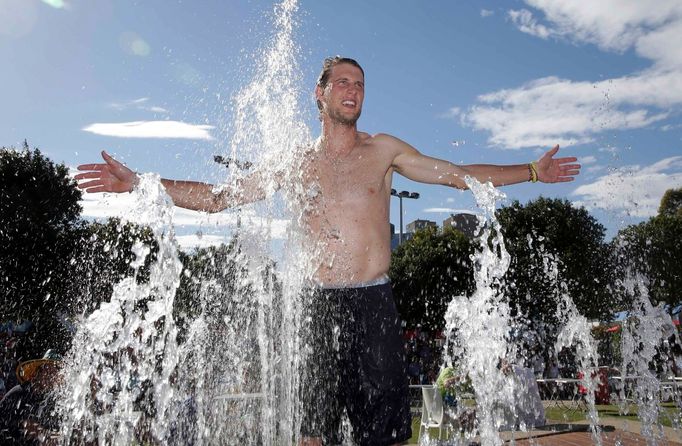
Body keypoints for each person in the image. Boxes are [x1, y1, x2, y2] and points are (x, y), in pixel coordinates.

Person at [76, 56, 581, 446]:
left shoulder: (383, 151)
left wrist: (532, 171)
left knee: (380, 435)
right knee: (311, 433)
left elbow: (458, 176)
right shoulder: (294, 162)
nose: (353, 90)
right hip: (312, 305)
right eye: (342, 82)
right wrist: (140, 183)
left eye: (359, 84)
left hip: (373, 303)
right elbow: (217, 199)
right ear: (319, 93)